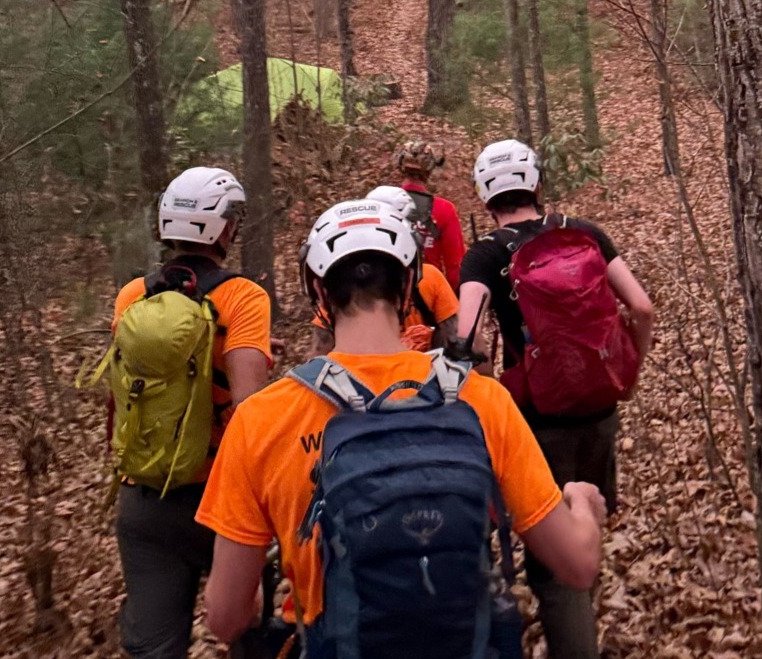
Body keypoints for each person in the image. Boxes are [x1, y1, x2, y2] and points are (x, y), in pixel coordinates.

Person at [196, 200, 607, 657]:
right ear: (410, 282)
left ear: (318, 290)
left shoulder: (261, 419)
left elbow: (225, 618)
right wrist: (582, 503)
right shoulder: (479, 399)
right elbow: (577, 565)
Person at [455, 139, 655, 659]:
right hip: (600, 409)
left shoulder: (485, 255)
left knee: (553, 564)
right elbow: (641, 307)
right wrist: (628, 376)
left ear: (484, 196)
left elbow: (468, 340)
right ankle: (583, 616)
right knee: (586, 522)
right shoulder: (584, 233)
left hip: (535, 421)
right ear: (537, 184)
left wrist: (488, 399)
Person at [108, 167, 273, 659]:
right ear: (224, 228)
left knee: (154, 647)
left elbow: (122, 394)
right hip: (221, 500)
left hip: (146, 496)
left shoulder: (133, 296)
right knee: (253, 636)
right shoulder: (243, 297)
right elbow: (249, 408)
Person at [308, 190, 457, 356]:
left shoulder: (337, 286)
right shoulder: (430, 278)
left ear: (320, 292)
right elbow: (455, 337)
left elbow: (321, 348)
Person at [394, 140, 466, 290]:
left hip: (390, 293)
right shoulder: (444, 209)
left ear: (400, 166)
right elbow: (455, 267)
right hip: (429, 292)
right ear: (430, 169)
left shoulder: (383, 204)